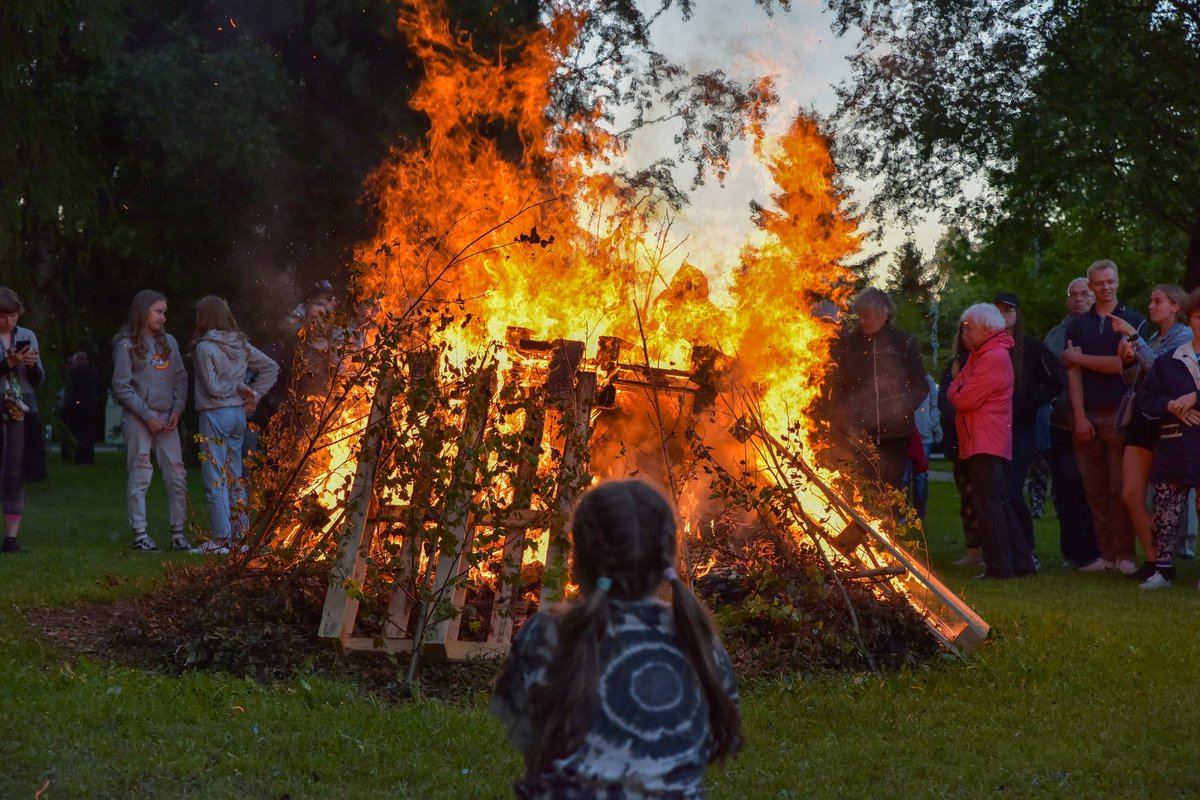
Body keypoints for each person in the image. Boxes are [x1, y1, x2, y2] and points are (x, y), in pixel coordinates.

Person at [489, 479, 742, 797]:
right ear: (669, 560)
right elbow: (716, 742)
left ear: (578, 560)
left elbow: (526, 737)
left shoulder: (546, 634)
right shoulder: (700, 641)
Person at [1063, 260, 1146, 574]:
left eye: (1110, 281)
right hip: (1087, 414)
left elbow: (1119, 365)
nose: (1105, 287)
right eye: (1099, 283)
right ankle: (1106, 554)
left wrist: (1080, 358)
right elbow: (1072, 372)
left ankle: (1125, 555)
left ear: (1118, 282)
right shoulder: (1077, 325)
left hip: (1121, 413)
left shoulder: (1132, 320)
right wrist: (1079, 416)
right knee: (1094, 489)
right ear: (1090, 285)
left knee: (1119, 487)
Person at [947, 304, 1037, 579]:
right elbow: (954, 387)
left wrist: (957, 389)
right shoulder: (980, 354)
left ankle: (999, 567)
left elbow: (962, 398)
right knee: (998, 502)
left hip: (985, 438)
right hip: (981, 437)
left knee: (989, 505)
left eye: (969, 328)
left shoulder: (993, 357)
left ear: (987, 328)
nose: (964, 333)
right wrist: (957, 388)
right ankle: (1021, 563)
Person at [1109, 284, 1191, 581]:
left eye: (1158, 301)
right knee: (1130, 492)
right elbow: (1138, 380)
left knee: (1165, 495)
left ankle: (1162, 563)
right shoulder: (1155, 337)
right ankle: (1153, 558)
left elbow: (1164, 373)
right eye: (1150, 300)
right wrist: (1127, 360)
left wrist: (1134, 337)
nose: (1151, 305)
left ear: (1175, 306)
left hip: (1166, 419)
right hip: (1141, 416)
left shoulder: (1183, 336)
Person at [190, 296, 279, 554]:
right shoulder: (239, 343)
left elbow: (214, 387)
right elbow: (271, 367)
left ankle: (221, 540)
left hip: (215, 414)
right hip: (237, 416)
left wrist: (244, 390)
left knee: (215, 475)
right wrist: (254, 394)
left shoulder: (205, 348)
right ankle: (239, 537)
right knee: (235, 475)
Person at [111, 289, 190, 552]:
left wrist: (177, 410)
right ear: (143, 311)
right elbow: (121, 387)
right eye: (158, 311)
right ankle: (140, 534)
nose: (163, 317)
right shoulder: (126, 344)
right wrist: (147, 416)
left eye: (164, 312)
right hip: (140, 420)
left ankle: (178, 534)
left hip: (168, 419)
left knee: (177, 474)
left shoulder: (170, 343)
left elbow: (180, 378)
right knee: (141, 473)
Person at [827, 287, 928, 489]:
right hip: (861, 435)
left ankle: (890, 521)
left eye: (866, 316)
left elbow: (920, 385)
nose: (862, 321)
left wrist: (903, 408)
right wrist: (843, 417)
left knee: (889, 494)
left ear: (884, 313)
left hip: (896, 436)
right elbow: (840, 387)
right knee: (861, 494)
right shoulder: (851, 343)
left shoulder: (904, 342)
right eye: (860, 315)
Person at [1136, 289, 1200, 588]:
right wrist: (1171, 406)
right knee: (1165, 510)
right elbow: (1147, 398)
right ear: (1190, 318)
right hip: (1174, 443)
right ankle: (1162, 569)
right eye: (1199, 316)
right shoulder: (1169, 359)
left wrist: (1195, 397)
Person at [993, 292, 1062, 559]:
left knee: (1010, 490)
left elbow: (1056, 381)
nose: (1004, 316)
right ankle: (1006, 548)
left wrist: (1031, 401)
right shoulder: (986, 348)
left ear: (1017, 314)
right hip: (993, 428)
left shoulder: (1031, 347)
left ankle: (1026, 549)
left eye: (1008, 311)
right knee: (997, 491)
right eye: (998, 311)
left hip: (1021, 428)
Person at [1044, 277, 1100, 568]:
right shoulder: (1054, 336)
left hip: (1095, 421)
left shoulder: (1102, 329)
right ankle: (1072, 552)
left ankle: (1096, 550)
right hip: (1060, 423)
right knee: (1065, 489)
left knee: (1093, 488)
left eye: (1085, 294)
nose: (1078, 298)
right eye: (1073, 294)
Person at [0, 287, 44, 553]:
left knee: (17, 473)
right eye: (3, 316)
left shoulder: (27, 336)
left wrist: (29, 365)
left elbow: (38, 380)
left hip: (21, 408)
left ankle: (11, 538)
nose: (8, 322)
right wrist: (8, 362)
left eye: (13, 315)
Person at [939, 328, 984, 566]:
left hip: (983, 438)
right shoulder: (954, 365)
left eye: (972, 331)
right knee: (967, 496)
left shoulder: (989, 361)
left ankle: (994, 549)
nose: (968, 336)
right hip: (959, 440)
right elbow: (944, 399)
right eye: (963, 332)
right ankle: (974, 550)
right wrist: (960, 418)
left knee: (987, 496)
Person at [62, 351, 99, 464]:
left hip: (77, 406)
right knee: (89, 432)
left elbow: (72, 390)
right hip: (90, 405)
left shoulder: (75, 373)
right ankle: (89, 455)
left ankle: (81, 456)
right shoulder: (93, 373)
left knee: (79, 431)